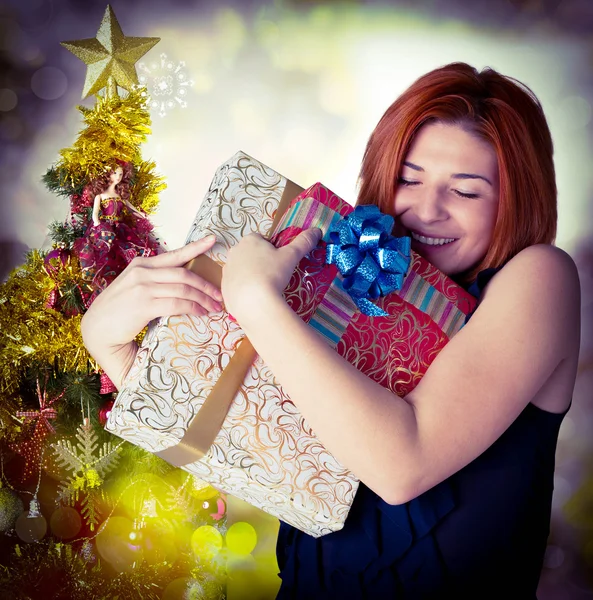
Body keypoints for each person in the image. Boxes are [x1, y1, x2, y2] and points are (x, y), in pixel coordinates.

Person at [80, 62, 581, 598]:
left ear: (515, 200)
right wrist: (113, 348)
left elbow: (400, 467)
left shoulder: (540, 277)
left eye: (466, 191)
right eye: (409, 179)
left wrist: (257, 301)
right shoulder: (341, 287)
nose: (425, 210)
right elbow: (239, 446)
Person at [74, 160, 162, 295]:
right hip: (105, 228)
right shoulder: (101, 195)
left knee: (131, 247)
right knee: (108, 254)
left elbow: (130, 208)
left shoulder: (119, 194)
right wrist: (98, 226)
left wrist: (141, 215)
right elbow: (95, 214)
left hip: (120, 227)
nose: (118, 176)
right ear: (108, 174)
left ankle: (141, 276)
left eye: (120, 174)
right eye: (115, 173)